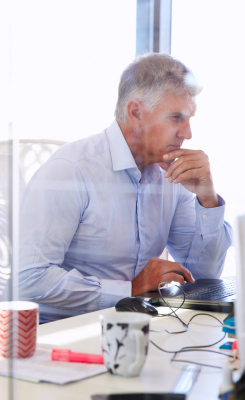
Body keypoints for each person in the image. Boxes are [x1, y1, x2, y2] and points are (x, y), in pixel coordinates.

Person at [19, 53, 233, 322]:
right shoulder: (71, 170)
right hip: (62, 333)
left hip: (137, 326)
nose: (187, 133)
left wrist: (207, 199)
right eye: (176, 117)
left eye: (189, 118)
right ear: (136, 113)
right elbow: (29, 279)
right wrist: (129, 290)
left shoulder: (170, 178)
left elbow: (204, 277)